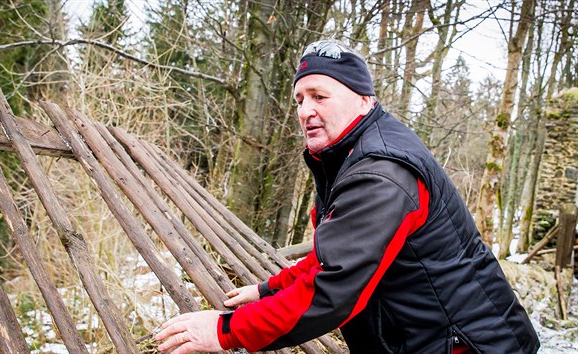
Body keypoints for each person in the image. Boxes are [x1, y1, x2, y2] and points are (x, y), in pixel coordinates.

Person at [155, 39, 540, 354]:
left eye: (320, 96)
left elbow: (332, 289)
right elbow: (336, 253)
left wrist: (225, 331)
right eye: (300, 99)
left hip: (469, 346)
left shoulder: (382, 172)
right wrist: (267, 289)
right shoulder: (350, 156)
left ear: (363, 100)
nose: (305, 111)